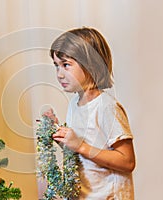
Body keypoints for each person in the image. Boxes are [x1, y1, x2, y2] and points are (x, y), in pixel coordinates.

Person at [44, 27, 136, 199]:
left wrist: (80, 145)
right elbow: (79, 151)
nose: (59, 74)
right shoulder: (75, 104)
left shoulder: (106, 107)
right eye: (56, 66)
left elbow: (127, 161)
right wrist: (58, 134)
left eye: (66, 65)